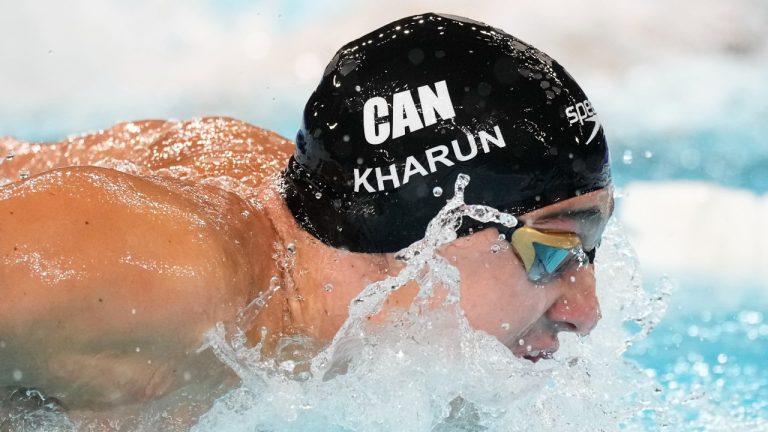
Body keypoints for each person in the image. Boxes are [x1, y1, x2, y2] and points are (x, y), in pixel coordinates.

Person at [0, 12, 612, 416]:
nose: (586, 311)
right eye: (551, 251)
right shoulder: (151, 276)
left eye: (591, 250)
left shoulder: (405, 357)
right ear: (417, 236)